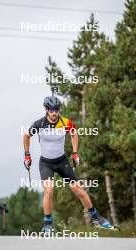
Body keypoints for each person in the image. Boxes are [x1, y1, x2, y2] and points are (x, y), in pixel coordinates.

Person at [23, 96, 112, 233]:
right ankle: (47, 224)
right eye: (51, 110)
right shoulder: (39, 124)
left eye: (56, 109)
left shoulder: (65, 122)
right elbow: (26, 136)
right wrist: (27, 154)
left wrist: (75, 152)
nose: (54, 112)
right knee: (49, 190)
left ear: (59, 110)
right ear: (46, 110)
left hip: (61, 161)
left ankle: (96, 217)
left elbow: (74, 134)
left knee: (79, 191)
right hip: (46, 163)